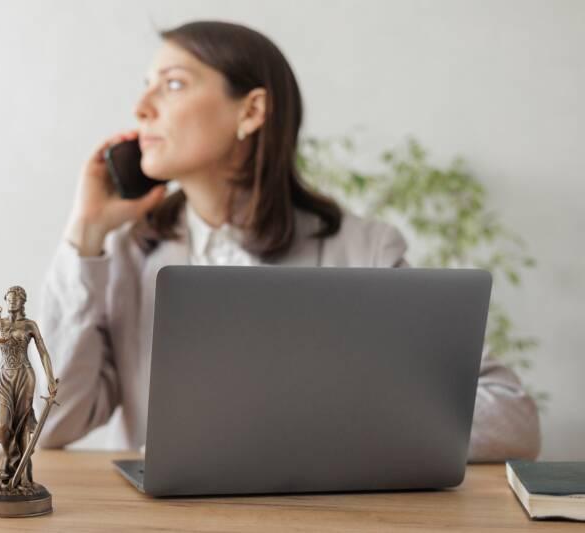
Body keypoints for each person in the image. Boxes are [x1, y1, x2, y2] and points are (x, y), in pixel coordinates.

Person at [37, 20, 540, 462]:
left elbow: (511, 414)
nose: (141, 107)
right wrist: (85, 236)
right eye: (146, 86)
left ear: (252, 111)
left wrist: (330, 436)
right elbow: (51, 424)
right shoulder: (127, 256)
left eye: (172, 84)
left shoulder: (363, 252)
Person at [0, 260, 58, 486]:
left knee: (21, 424)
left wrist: (50, 378)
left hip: (24, 375)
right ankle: (13, 460)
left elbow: (43, 352)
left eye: (15, 299)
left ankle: (13, 470)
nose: (11, 302)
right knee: (2, 424)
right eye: (8, 299)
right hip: (4, 377)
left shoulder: (29, 325)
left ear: (22, 302)